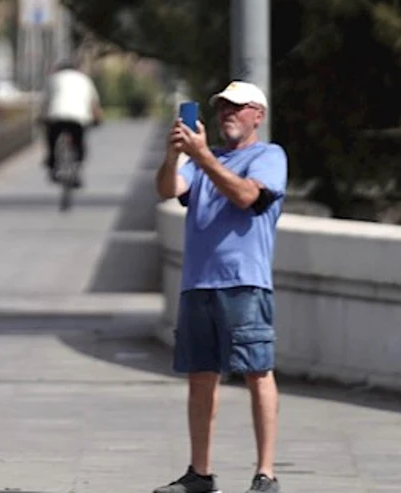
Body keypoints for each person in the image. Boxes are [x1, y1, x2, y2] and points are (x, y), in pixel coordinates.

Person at [152, 80, 287, 493]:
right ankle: (199, 473)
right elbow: (167, 189)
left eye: (237, 108)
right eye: (222, 108)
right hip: (198, 283)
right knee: (200, 377)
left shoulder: (268, 156)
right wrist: (174, 154)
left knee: (256, 372)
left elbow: (247, 196)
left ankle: (266, 473)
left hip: (244, 283)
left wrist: (203, 155)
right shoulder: (199, 161)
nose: (227, 114)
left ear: (257, 116)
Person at [39, 58, 103, 181]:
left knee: (52, 138)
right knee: (79, 141)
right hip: (78, 117)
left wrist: (42, 117)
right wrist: (97, 119)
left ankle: (52, 163)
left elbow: (45, 103)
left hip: (56, 115)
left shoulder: (53, 79)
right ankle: (78, 165)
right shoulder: (84, 79)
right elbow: (93, 103)